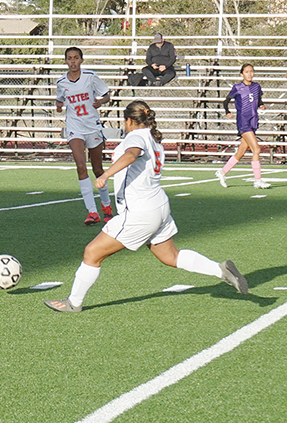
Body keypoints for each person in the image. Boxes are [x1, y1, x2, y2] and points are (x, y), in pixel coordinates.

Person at [45, 100, 248, 313]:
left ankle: (74, 302)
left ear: (130, 120)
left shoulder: (136, 136)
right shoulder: (154, 139)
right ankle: (219, 270)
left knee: (92, 253)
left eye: (125, 121)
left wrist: (105, 175)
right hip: (158, 205)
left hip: (140, 211)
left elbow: (131, 155)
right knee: (170, 256)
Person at [55, 47, 114, 225]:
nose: (72, 62)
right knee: (81, 166)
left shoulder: (90, 76)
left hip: (92, 126)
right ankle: (92, 212)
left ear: (81, 60)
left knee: (97, 169)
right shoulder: (61, 82)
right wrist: (58, 105)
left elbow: (107, 95)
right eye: (69, 59)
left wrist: (100, 101)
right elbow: (60, 99)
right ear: (65, 61)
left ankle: (106, 206)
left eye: (76, 58)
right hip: (75, 128)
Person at [215, 63, 270, 189]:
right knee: (256, 149)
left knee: (240, 152)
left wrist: (261, 105)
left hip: (253, 121)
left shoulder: (256, 86)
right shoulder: (238, 87)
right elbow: (226, 101)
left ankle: (222, 172)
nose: (249, 74)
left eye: (251, 71)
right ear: (242, 74)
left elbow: (257, 99)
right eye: (246, 72)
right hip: (243, 122)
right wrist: (227, 112)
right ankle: (258, 180)